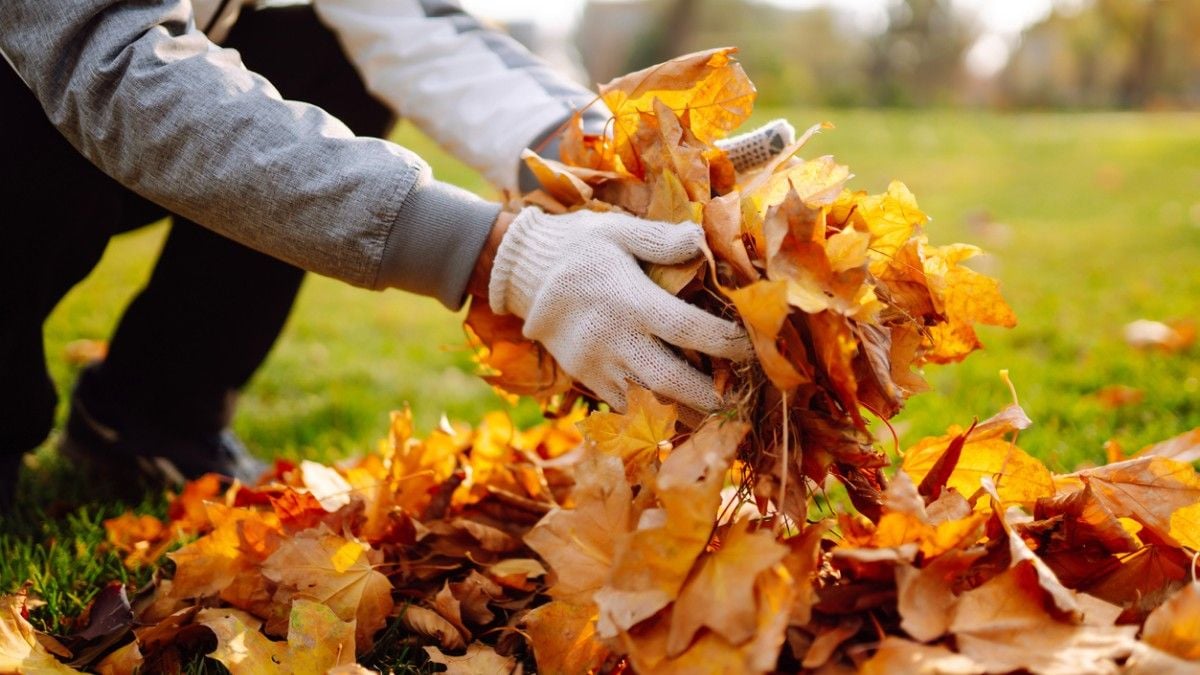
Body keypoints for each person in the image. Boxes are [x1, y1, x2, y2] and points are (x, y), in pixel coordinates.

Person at [0, 0, 791, 508]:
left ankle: (152, 415)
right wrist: (501, 256)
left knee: (316, 42)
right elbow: (108, 62)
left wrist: (621, 158)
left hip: (114, 114)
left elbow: (404, 21)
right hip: (46, 100)